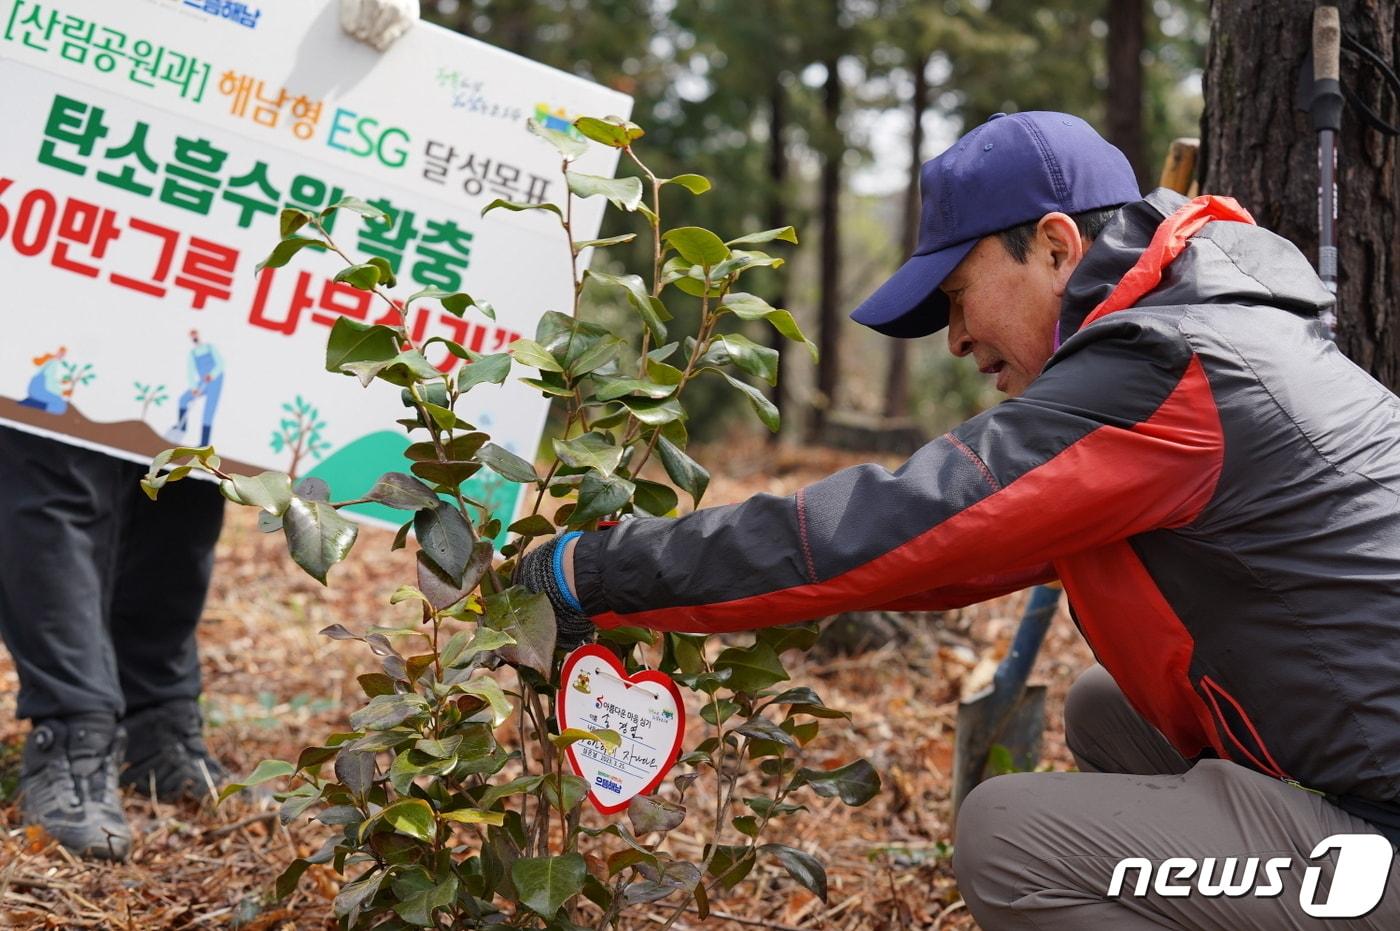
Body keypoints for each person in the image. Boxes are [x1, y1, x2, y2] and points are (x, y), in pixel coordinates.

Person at [520, 111, 1400, 928]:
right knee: (1104, 708)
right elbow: (946, 558)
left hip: (1379, 826)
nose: (955, 338)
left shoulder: (1165, 367)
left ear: (1056, 247)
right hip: (1358, 760)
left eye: (957, 295)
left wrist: (589, 575)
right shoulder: (1202, 327)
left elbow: (898, 522)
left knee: (1009, 841)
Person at [2, 0, 421, 862]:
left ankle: (157, 718)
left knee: (187, 468)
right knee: (55, 450)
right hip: (76, 97)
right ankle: (73, 734)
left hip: (230, 112)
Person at [166, 330, 225, 447]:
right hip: (202, 382)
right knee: (183, 399)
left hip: (216, 381)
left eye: (195, 335)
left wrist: (212, 375)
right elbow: (190, 372)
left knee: (208, 413)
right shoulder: (192, 354)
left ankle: (204, 443)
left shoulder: (210, 347)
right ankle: (181, 427)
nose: (195, 338)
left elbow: (221, 364)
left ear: (199, 335)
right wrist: (194, 388)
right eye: (192, 336)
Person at [19, 346, 70, 414]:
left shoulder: (50, 362)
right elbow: (49, 384)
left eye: (63, 354)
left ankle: (32, 401)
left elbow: (50, 380)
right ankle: (33, 403)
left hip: (34, 390)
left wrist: (61, 382)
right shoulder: (52, 364)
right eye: (61, 354)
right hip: (39, 391)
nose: (61, 356)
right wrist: (62, 392)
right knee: (61, 406)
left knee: (58, 401)